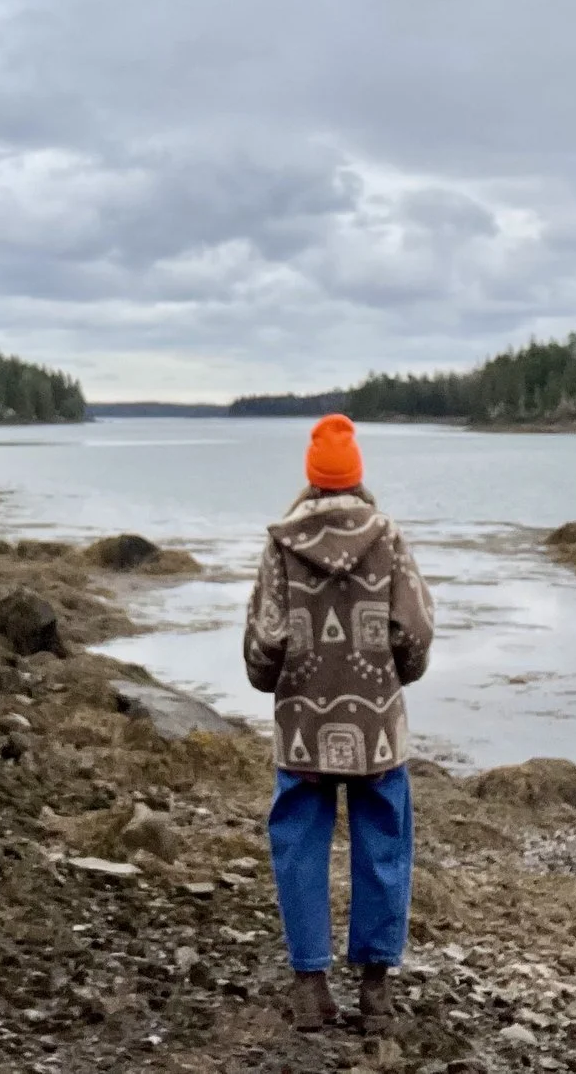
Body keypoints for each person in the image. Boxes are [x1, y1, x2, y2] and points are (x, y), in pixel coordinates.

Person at [241, 413, 435, 1034]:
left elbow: (267, 638)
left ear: (312, 477)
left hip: (302, 724)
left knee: (299, 846)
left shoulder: (281, 542)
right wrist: (396, 674)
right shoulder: (388, 536)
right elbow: (414, 628)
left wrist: (270, 680)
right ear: (355, 476)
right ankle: (375, 995)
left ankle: (310, 988)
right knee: (384, 844)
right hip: (376, 724)